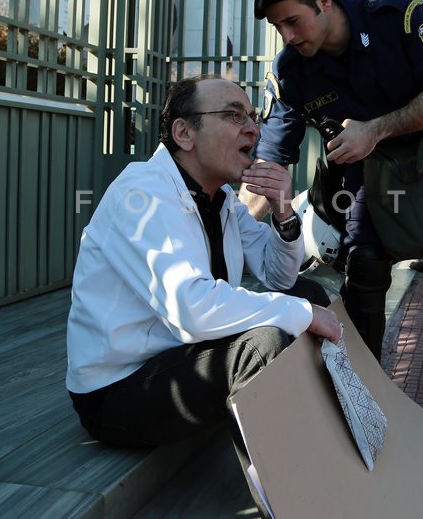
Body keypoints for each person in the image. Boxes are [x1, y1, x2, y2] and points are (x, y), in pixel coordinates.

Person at [245, 0, 423, 424]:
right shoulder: (292, 71)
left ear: (324, 0)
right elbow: (269, 161)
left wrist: (375, 129)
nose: (287, 36)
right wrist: (227, 232)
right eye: (278, 27)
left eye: (293, 21)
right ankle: (365, 388)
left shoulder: (395, 14)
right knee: (364, 266)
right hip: (366, 176)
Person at [66, 75, 342, 516]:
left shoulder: (222, 198)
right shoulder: (143, 195)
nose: (252, 128)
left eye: (252, 116)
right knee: (264, 344)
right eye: (233, 115)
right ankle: (296, 501)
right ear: (184, 133)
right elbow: (191, 307)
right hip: (117, 390)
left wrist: (283, 212)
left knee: (307, 291)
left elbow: (278, 275)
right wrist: (301, 313)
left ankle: (335, 441)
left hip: (176, 357)